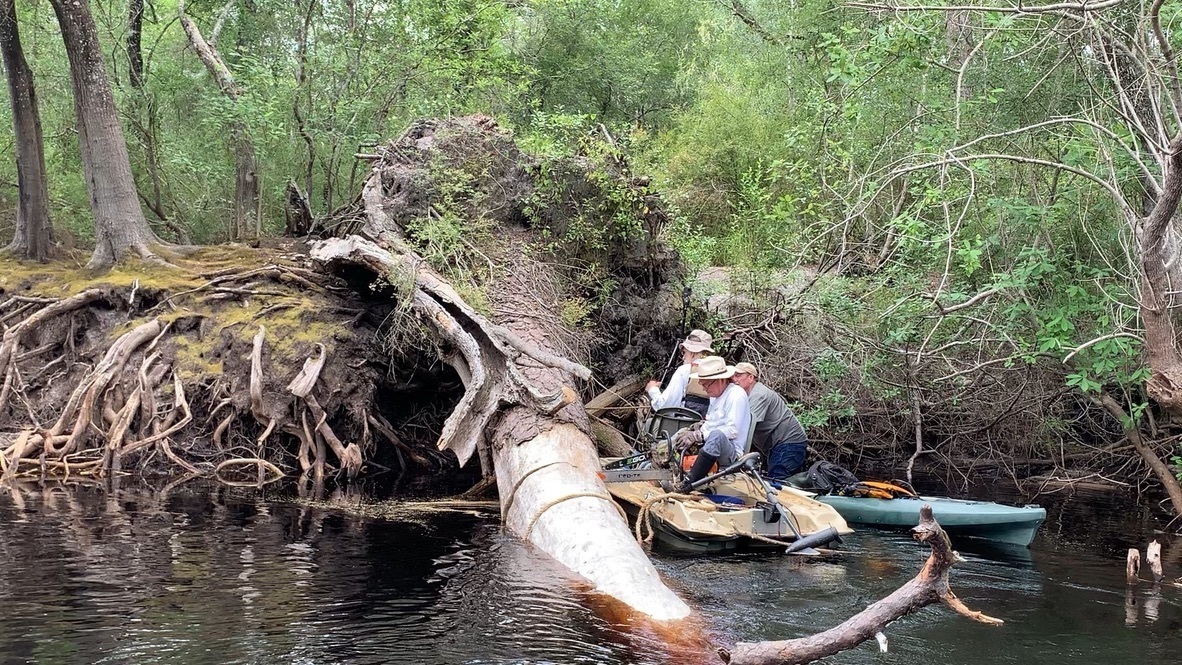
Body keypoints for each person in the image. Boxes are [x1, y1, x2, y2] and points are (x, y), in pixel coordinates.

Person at [670, 356, 751, 490]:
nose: (704, 389)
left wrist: (700, 436)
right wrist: (700, 427)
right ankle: (668, 468)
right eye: (702, 384)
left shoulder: (736, 395)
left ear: (720, 380)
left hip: (730, 453)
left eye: (706, 384)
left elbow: (732, 430)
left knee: (716, 436)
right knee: (683, 434)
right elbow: (714, 421)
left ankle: (688, 484)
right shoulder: (716, 397)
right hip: (710, 445)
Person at [732, 362, 808, 480]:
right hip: (776, 444)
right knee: (773, 479)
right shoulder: (744, 396)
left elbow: (746, 426)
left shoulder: (759, 395)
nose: (733, 379)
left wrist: (737, 456)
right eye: (733, 375)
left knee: (778, 481)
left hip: (788, 442)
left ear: (750, 377)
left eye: (738, 375)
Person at [645, 329, 713, 418]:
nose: (683, 357)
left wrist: (652, 389)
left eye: (684, 352)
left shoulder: (684, 370)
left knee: (648, 424)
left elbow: (665, 408)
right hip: (707, 425)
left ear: (692, 353)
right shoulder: (717, 372)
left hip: (683, 426)